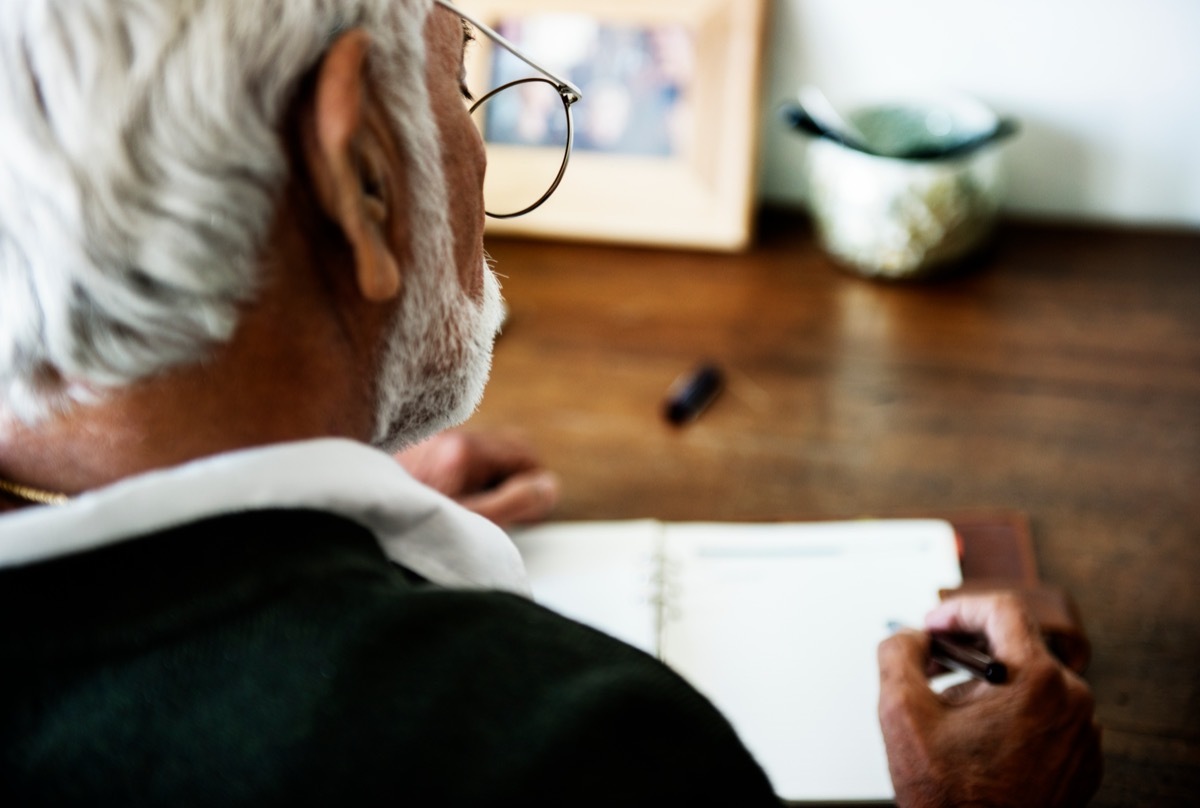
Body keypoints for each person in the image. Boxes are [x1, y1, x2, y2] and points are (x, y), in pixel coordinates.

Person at [0, 1, 1100, 805]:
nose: (476, 133)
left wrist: (329, 492)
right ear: (358, 174)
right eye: (462, 68)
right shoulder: (583, 754)